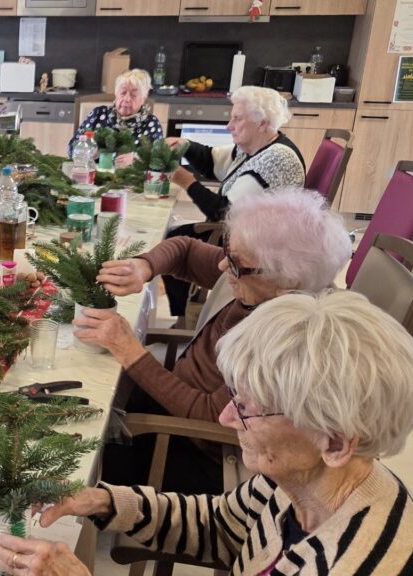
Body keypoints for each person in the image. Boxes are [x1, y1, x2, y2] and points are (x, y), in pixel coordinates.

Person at [0, 291, 413, 575]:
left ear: (335, 443)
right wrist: (101, 501)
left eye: (246, 408)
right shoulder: (299, 481)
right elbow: (222, 527)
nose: (226, 418)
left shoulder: (366, 562)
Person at [80, 188, 351, 493]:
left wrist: (130, 352)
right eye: (227, 252)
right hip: (173, 402)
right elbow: (184, 250)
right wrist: (143, 267)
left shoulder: (283, 341)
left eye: (234, 262)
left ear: (287, 282)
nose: (223, 267)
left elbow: (213, 416)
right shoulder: (256, 275)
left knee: (82, 445)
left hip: (194, 449)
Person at [169, 86, 305, 223]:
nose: (229, 126)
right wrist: (184, 145)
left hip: (252, 235)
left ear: (262, 124)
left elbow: (224, 212)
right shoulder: (253, 146)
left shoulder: (275, 160)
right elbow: (211, 162)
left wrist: (187, 182)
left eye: (237, 119)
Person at [68, 69, 164, 166]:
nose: (126, 99)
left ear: (143, 98)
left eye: (134, 95)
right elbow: (72, 149)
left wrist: (137, 158)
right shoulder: (98, 115)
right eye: (123, 92)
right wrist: (87, 152)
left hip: (131, 174)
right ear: (116, 93)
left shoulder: (151, 123)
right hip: (94, 173)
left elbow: (158, 159)